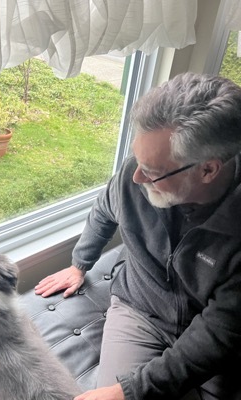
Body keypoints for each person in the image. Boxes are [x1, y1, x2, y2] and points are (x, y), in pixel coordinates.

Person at [35, 72, 241, 400]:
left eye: (153, 171)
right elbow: (105, 208)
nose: (136, 177)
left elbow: (219, 333)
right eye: (138, 160)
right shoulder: (135, 176)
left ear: (208, 170)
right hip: (139, 309)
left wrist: (131, 391)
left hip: (209, 330)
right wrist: (79, 264)